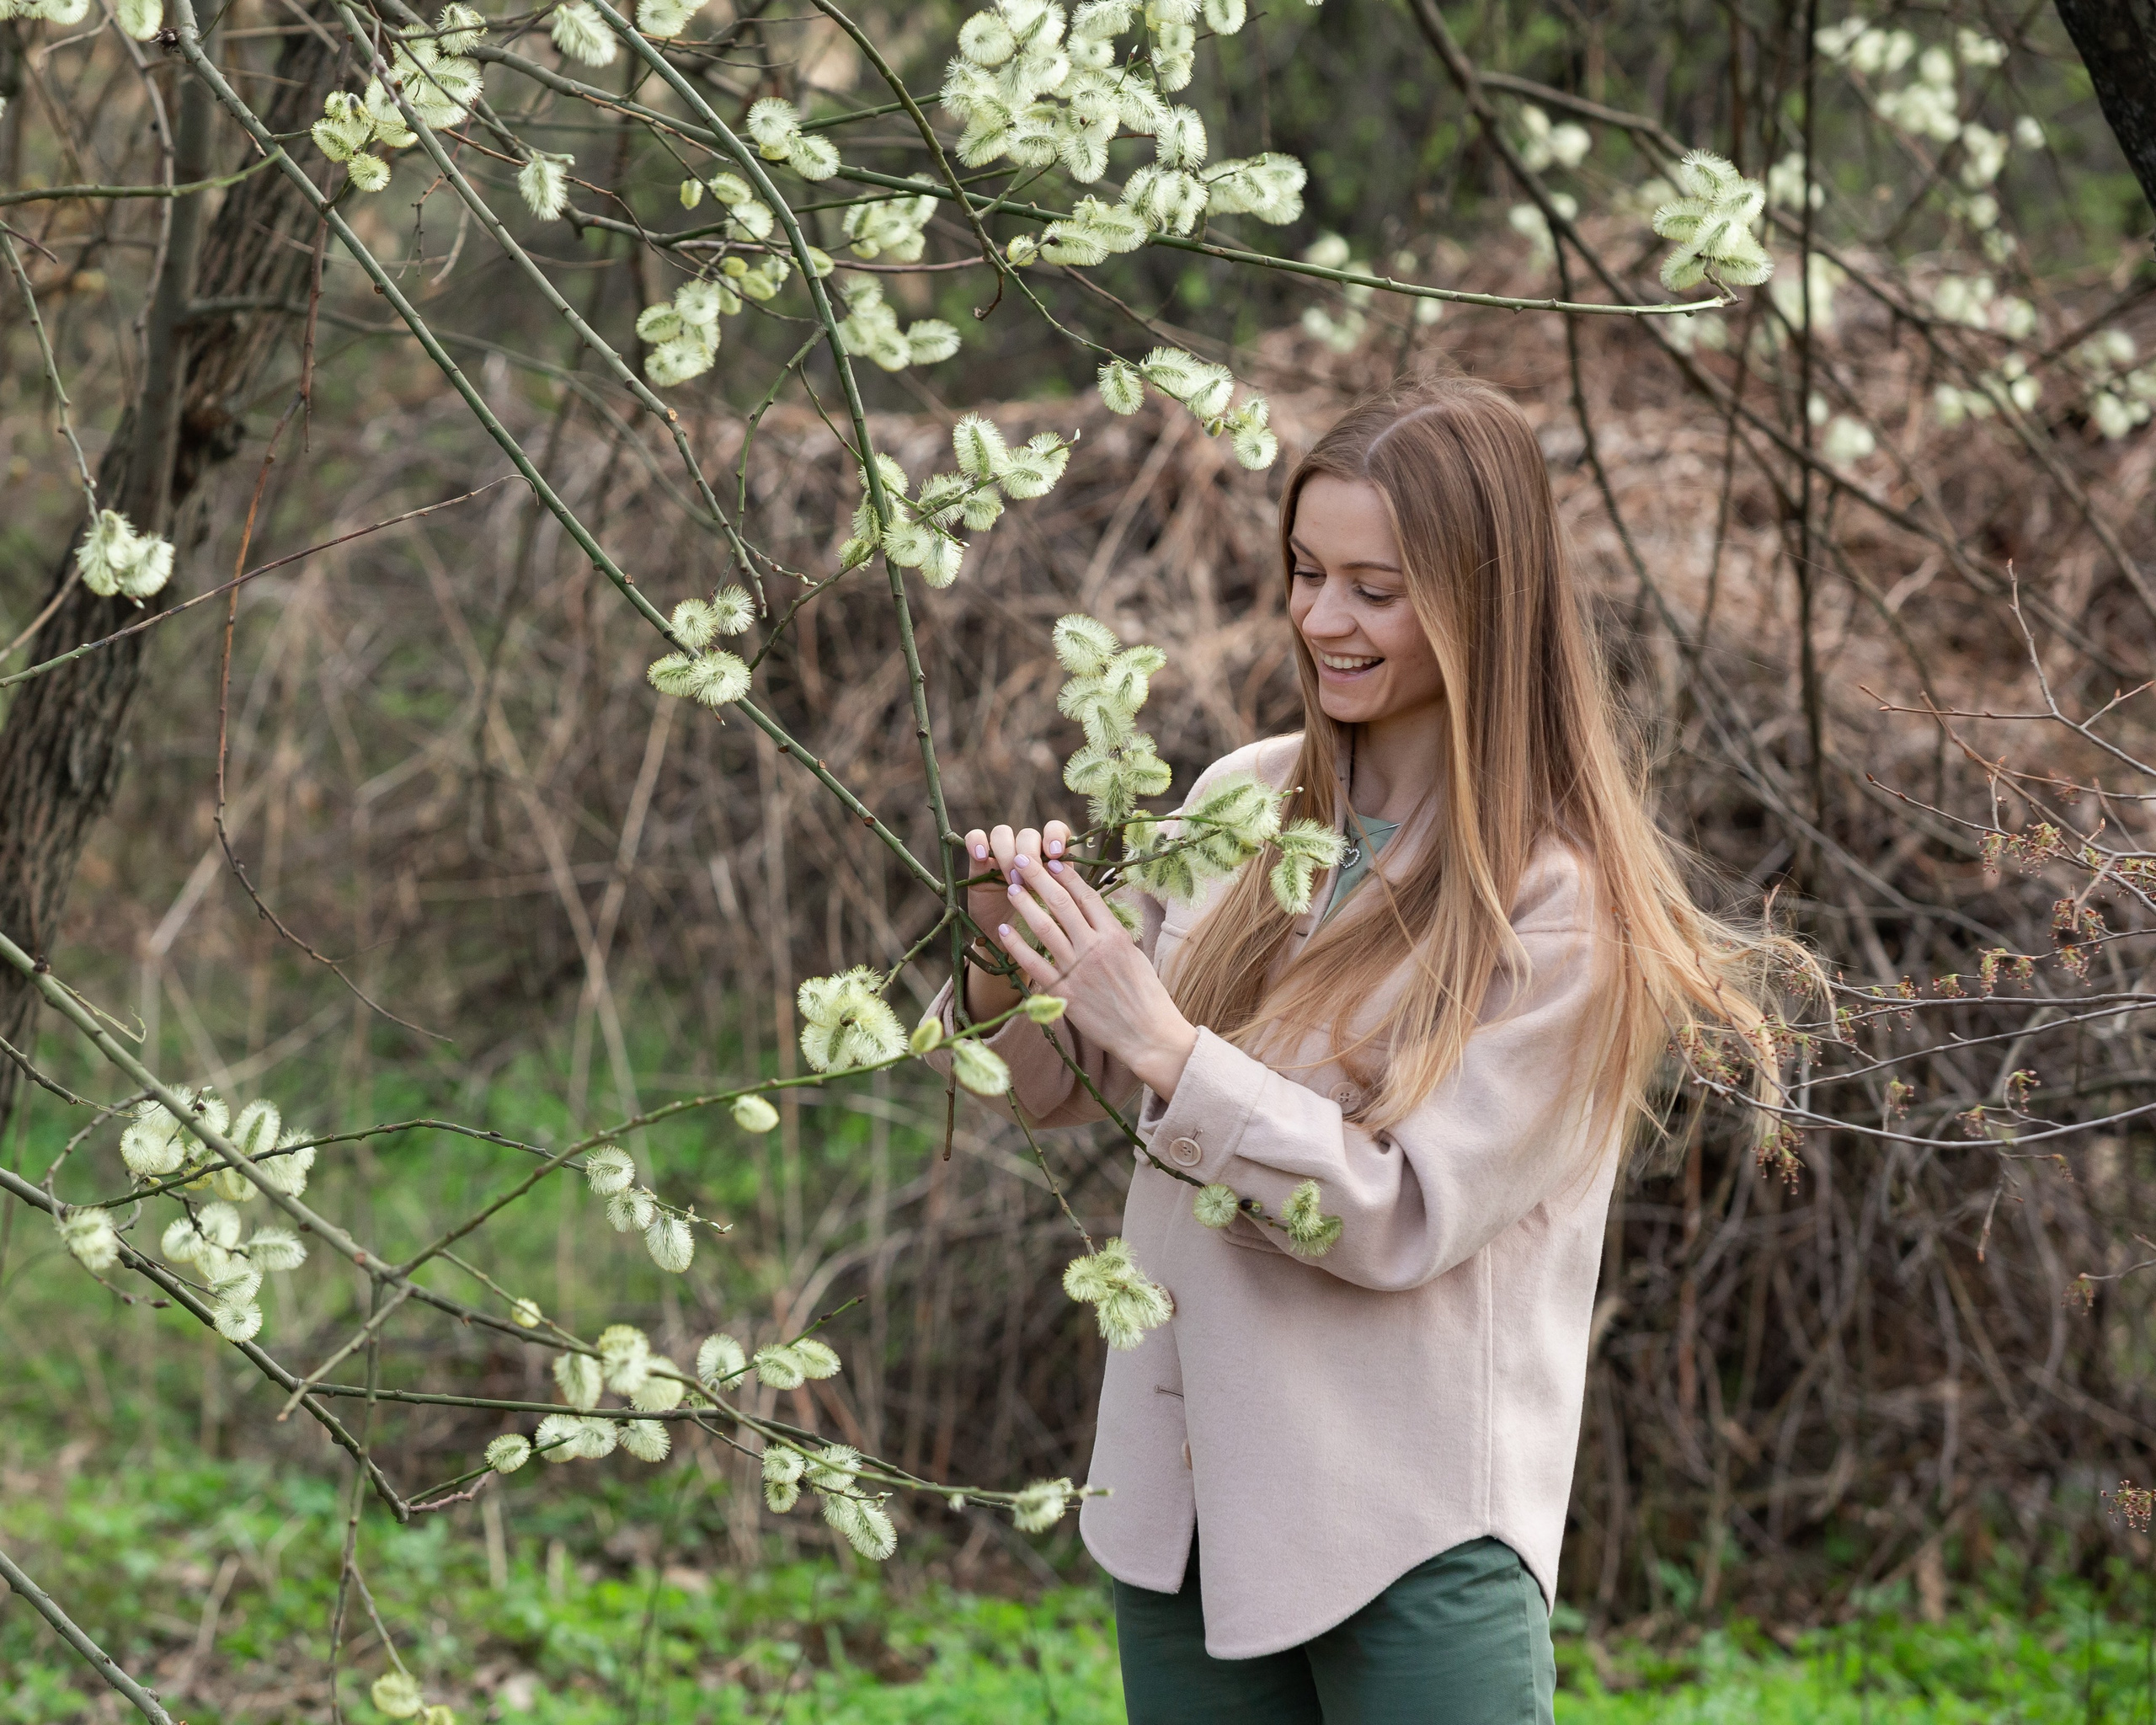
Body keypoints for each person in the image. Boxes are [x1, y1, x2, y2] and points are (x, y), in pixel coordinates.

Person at [931, 371, 1804, 1723]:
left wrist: (1168, 1042)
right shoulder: (1238, 803)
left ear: (1481, 603)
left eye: (1375, 590)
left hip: (1405, 1542)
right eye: (1305, 571)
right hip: (1184, 1514)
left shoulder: (1561, 905)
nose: (1322, 620)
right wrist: (1012, 948)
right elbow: (1059, 1093)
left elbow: (1400, 1218)